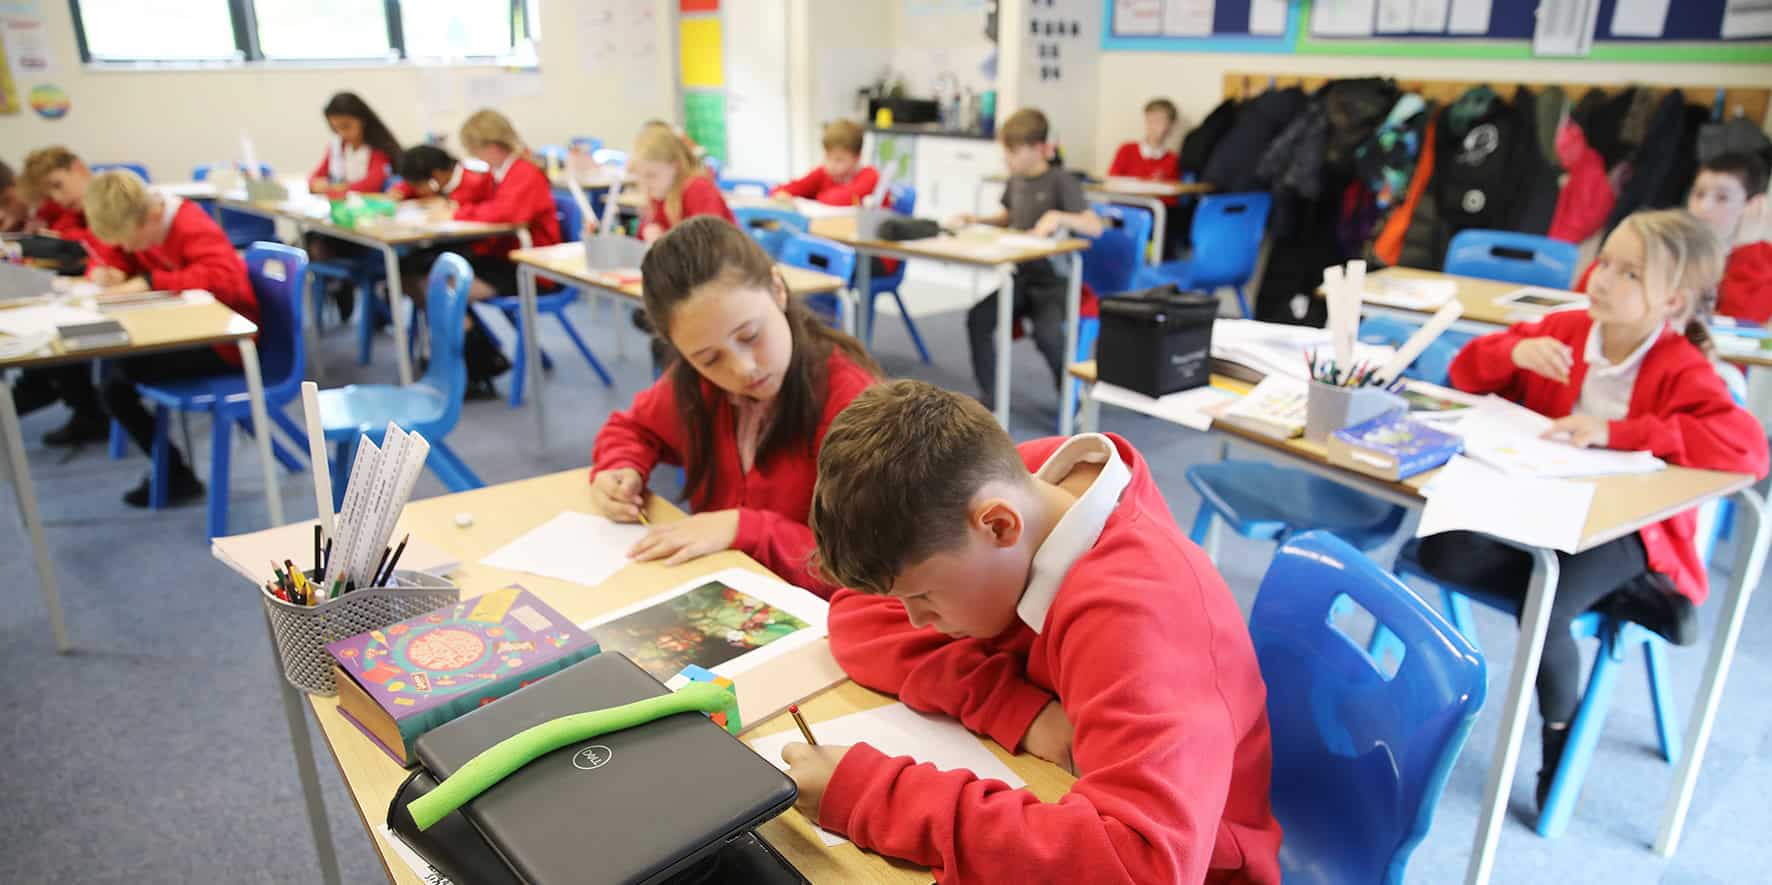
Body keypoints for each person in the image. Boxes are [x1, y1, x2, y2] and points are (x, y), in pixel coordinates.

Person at [780, 379, 1283, 883]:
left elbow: (1141, 868)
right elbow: (856, 614)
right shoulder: (1024, 485)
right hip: (1082, 796)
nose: (913, 621)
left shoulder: (1143, 615)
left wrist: (873, 796)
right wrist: (1021, 710)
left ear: (1000, 526)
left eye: (924, 597)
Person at [1424, 208, 1770, 811]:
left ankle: (1559, 733)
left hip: (1624, 527)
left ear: (1671, 301)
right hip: (1540, 504)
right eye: (1606, 261)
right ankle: (1625, 596)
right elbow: (1465, 371)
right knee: (1440, 548)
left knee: (1547, 604)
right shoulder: (1562, 330)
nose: (1603, 279)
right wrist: (1514, 355)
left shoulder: (1679, 365)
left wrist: (1618, 431)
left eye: (1630, 274)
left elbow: (1748, 449)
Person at [587, 217, 879, 598]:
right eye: (708, 358)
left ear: (777, 290)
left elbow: (866, 572)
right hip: (729, 592)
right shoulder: (698, 386)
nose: (743, 369)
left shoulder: (850, 404)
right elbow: (633, 428)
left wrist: (746, 529)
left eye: (750, 336)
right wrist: (619, 467)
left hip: (818, 620)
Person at [83, 170, 258, 506]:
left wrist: (151, 281)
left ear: (150, 216)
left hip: (228, 341)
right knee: (113, 372)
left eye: (128, 239)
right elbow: (115, 255)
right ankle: (171, 470)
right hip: (191, 332)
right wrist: (105, 271)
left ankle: (173, 474)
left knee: (117, 378)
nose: (128, 247)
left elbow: (226, 279)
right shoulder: (140, 222)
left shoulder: (190, 224)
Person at [949, 108, 1101, 410]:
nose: (1007, 159)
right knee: (978, 319)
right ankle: (990, 398)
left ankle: (1073, 403)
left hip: (1054, 282)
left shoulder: (1061, 181)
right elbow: (1009, 218)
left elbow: (1093, 225)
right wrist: (976, 220)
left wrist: (1058, 216)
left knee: (1048, 336)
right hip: (1021, 277)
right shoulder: (1016, 179)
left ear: (1037, 148)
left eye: (1013, 152)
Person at [402, 110, 561, 398]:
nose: (474, 156)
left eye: (475, 150)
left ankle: (478, 365)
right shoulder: (498, 174)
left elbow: (507, 214)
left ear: (491, 146)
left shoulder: (524, 173)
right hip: (502, 258)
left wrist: (459, 211)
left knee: (441, 286)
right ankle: (479, 357)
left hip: (530, 267)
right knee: (421, 274)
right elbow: (481, 203)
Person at [10, 147, 112, 447]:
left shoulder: (107, 201)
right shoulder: (69, 206)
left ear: (79, 168)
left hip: (107, 285)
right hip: (87, 282)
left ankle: (79, 405)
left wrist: (60, 238)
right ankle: (46, 386)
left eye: (58, 186)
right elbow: (58, 224)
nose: (57, 198)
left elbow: (93, 244)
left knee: (53, 322)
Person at [631, 124, 734, 243]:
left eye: (652, 175)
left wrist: (664, 243)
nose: (645, 185)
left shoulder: (698, 189)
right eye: (640, 177)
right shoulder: (658, 193)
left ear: (676, 166)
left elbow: (709, 245)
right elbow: (642, 240)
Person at [1107, 98, 1183, 256]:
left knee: (1170, 222)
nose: (1154, 127)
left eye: (1160, 121)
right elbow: (1112, 181)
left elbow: (1172, 199)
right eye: (1151, 121)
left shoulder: (1172, 159)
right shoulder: (1127, 150)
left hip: (1157, 215)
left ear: (1170, 126)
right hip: (1127, 209)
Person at [307, 91, 402, 197]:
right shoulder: (337, 146)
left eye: (346, 126)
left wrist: (337, 188)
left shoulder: (378, 149)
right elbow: (314, 177)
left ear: (362, 120)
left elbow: (371, 186)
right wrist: (316, 184)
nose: (341, 133)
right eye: (335, 128)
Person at [772, 119, 881, 206]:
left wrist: (816, 197)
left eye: (839, 160)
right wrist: (782, 194)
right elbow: (783, 189)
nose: (831, 164)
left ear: (857, 158)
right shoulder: (822, 173)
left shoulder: (870, 176)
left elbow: (839, 199)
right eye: (828, 156)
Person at [390, 144, 490, 203]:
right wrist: (400, 191)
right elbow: (407, 186)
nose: (417, 191)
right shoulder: (435, 179)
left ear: (437, 175)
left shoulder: (474, 184)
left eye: (418, 186)